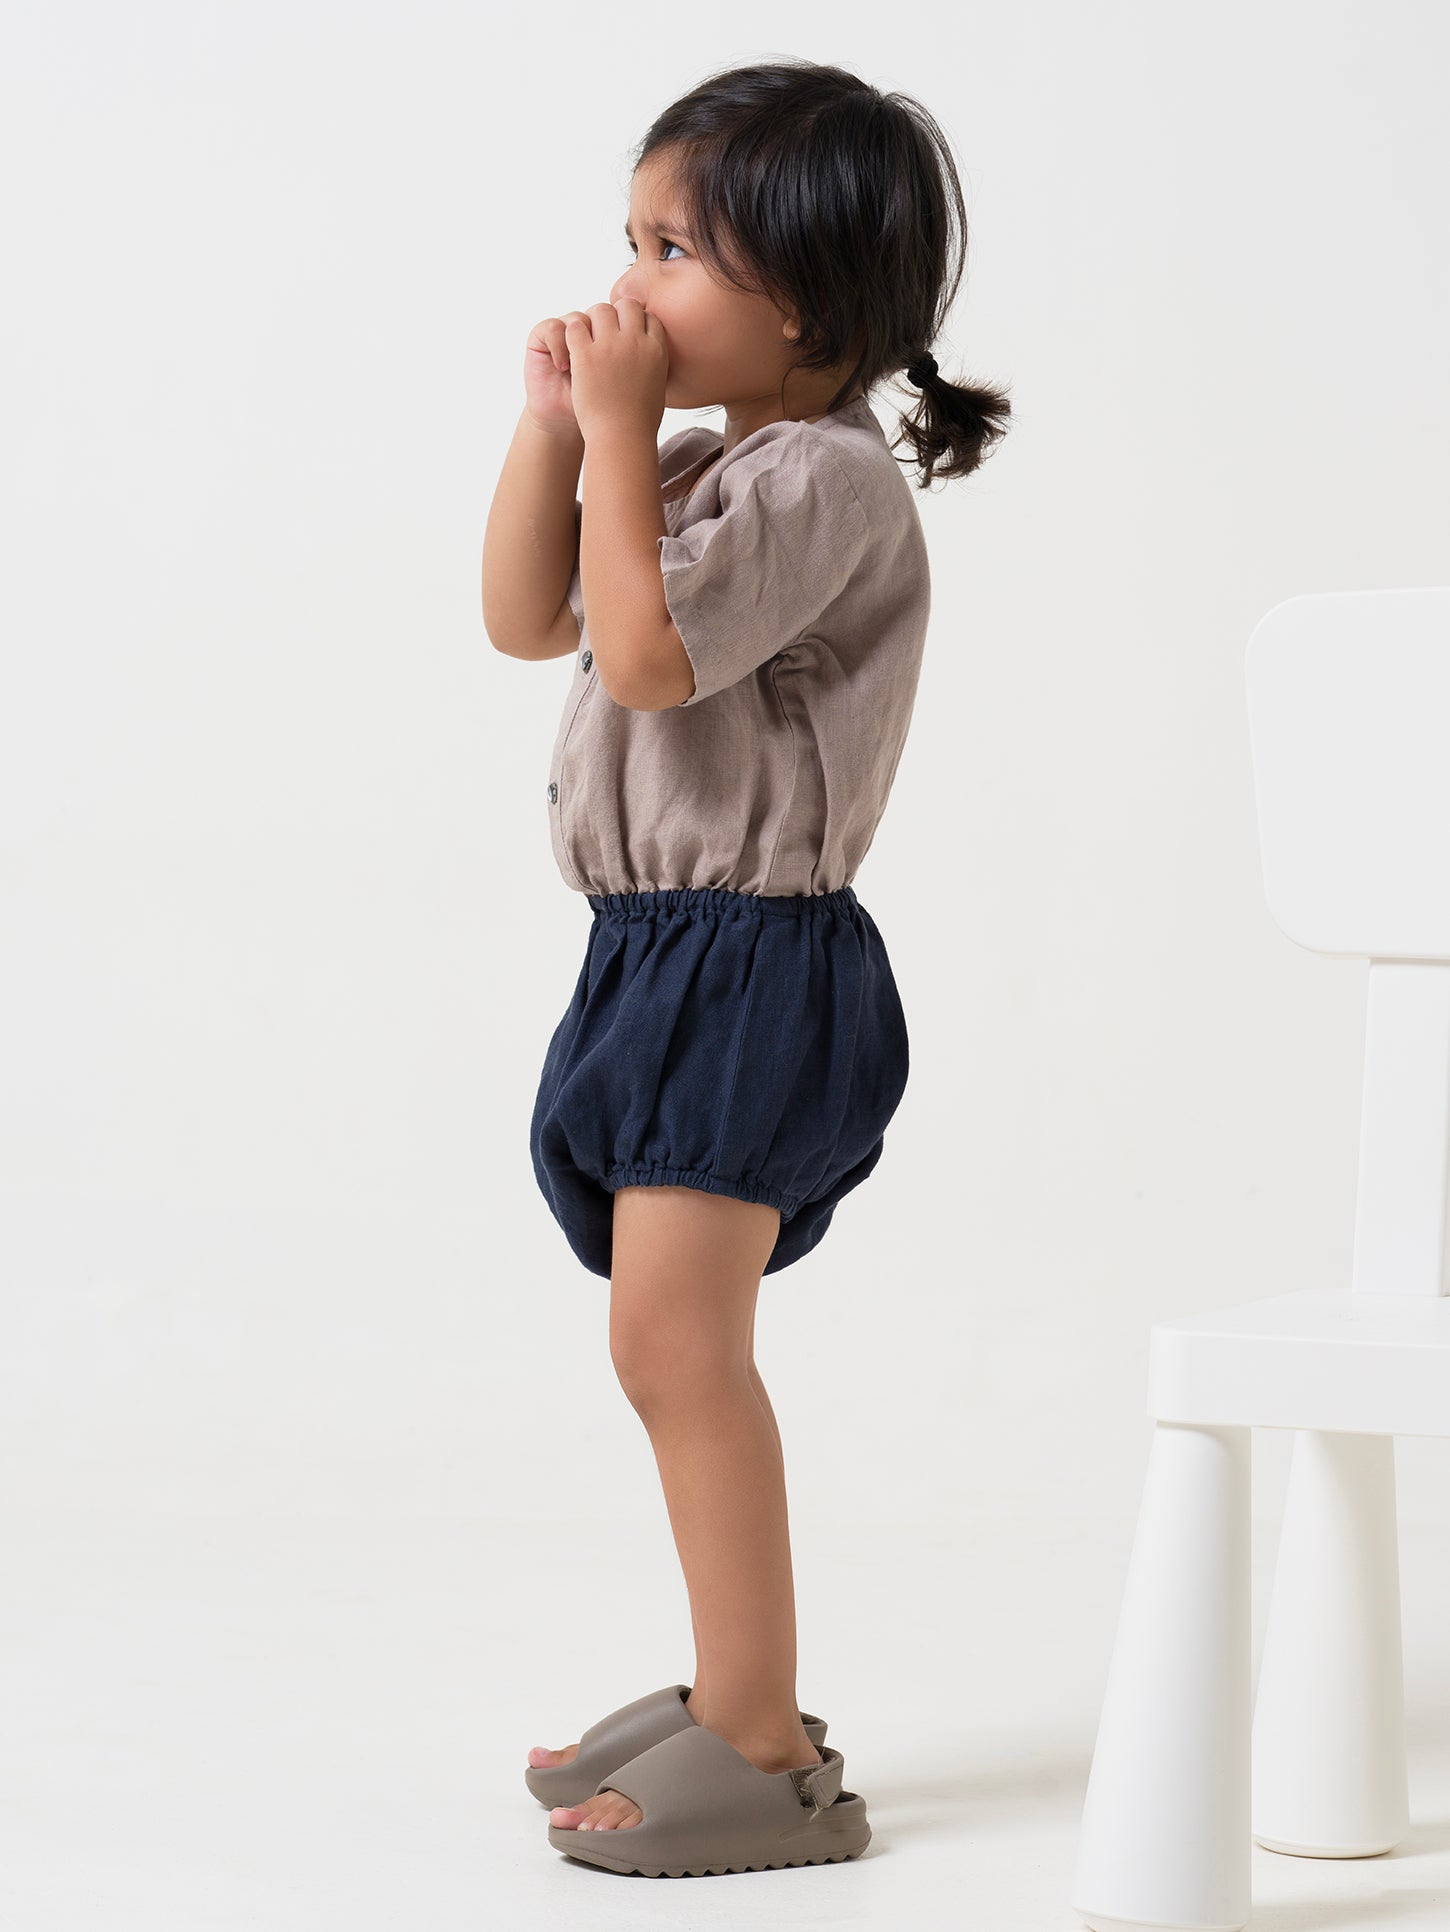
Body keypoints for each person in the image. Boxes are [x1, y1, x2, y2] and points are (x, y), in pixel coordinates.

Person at [481, 58, 1011, 1877]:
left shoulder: (825, 482)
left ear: (805, 302)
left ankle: (766, 1743)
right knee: (658, 1340)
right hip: (657, 950)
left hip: (751, 961)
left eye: (673, 251)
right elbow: (529, 618)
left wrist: (619, 439)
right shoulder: (713, 460)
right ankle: (730, 1694)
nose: (627, 286)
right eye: (628, 240)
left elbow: (644, 665)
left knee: (676, 1344)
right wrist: (561, 433)